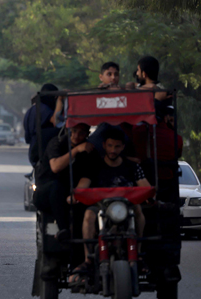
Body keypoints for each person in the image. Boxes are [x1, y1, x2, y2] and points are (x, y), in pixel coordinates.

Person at [69, 128, 150, 284]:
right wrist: (74, 195)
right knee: (88, 215)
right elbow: (82, 186)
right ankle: (88, 258)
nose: (113, 150)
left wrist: (150, 195)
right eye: (110, 145)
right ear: (104, 145)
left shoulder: (132, 167)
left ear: (123, 147)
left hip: (126, 208)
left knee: (138, 209)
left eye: (117, 146)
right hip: (101, 208)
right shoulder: (94, 165)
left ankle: (137, 254)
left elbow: (145, 187)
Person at [33, 123, 95, 234]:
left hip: (69, 193)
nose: (76, 136)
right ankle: (63, 229)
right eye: (74, 131)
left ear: (87, 134)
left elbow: (87, 176)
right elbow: (56, 167)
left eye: (81, 133)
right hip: (46, 192)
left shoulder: (88, 150)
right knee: (56, 186)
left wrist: (76, 194)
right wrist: (75, 151)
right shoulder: (57, 143)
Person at [23, 83, 59, 168]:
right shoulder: (43, 108)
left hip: (34, 149)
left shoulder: (31, 109)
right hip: (42, 149)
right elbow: (55, 121)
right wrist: (60, 100)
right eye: (55, 97)